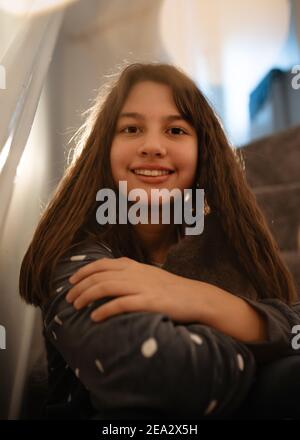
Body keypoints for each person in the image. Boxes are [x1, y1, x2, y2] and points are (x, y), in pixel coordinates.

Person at [19, 63, 300, 420]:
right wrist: (256, 345)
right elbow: (159, 378)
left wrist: (201, 298)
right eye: (132, 128)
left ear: (203, 152)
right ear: (104, 149)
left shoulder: (227, 248)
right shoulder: (75, 255)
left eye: (176, 129)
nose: (152, 146)